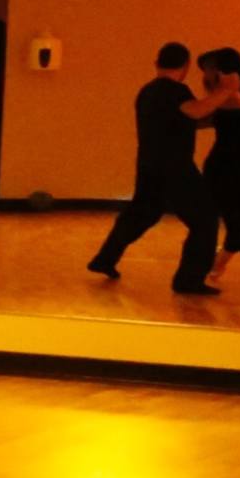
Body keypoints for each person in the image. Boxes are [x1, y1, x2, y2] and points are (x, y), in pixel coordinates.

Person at [84, 41, 219, 295]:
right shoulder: (177, 91)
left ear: (157, 63)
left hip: (149, 164)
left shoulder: (147, 92)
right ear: (186, 66)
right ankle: (188, 281)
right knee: (205, 219)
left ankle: (105, 259)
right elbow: (197, 110)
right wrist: (226, 91)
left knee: (141, 214)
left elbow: (183, 119)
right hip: (175, 167)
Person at [194, 48, 240, 294]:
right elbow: (199, 119)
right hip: (220, 166)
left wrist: (233, 93)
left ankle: (216, 269)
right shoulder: (216, 96)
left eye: (210, 68)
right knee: (235, 222)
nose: (207, 74)